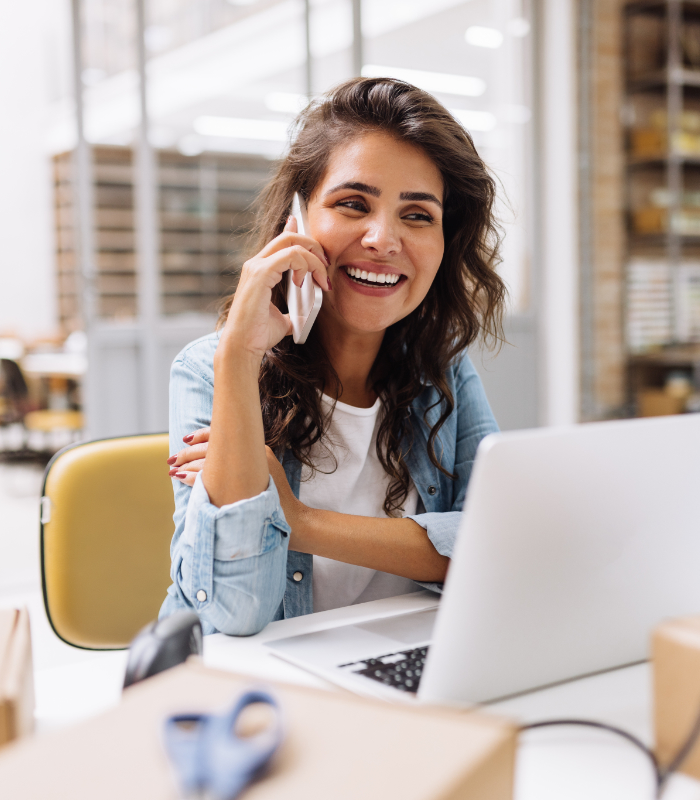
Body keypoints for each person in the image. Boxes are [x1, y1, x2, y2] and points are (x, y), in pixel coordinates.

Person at [159, 77, 506, 636]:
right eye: (352, 204)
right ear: (295, 222)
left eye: (417, 215)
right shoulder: (211, 368)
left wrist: (298, 521)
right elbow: (232, 611)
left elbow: (492, 548)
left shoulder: (441, 371)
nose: (383, 238)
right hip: (260, 687)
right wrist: (239, 357)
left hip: (397, 663)